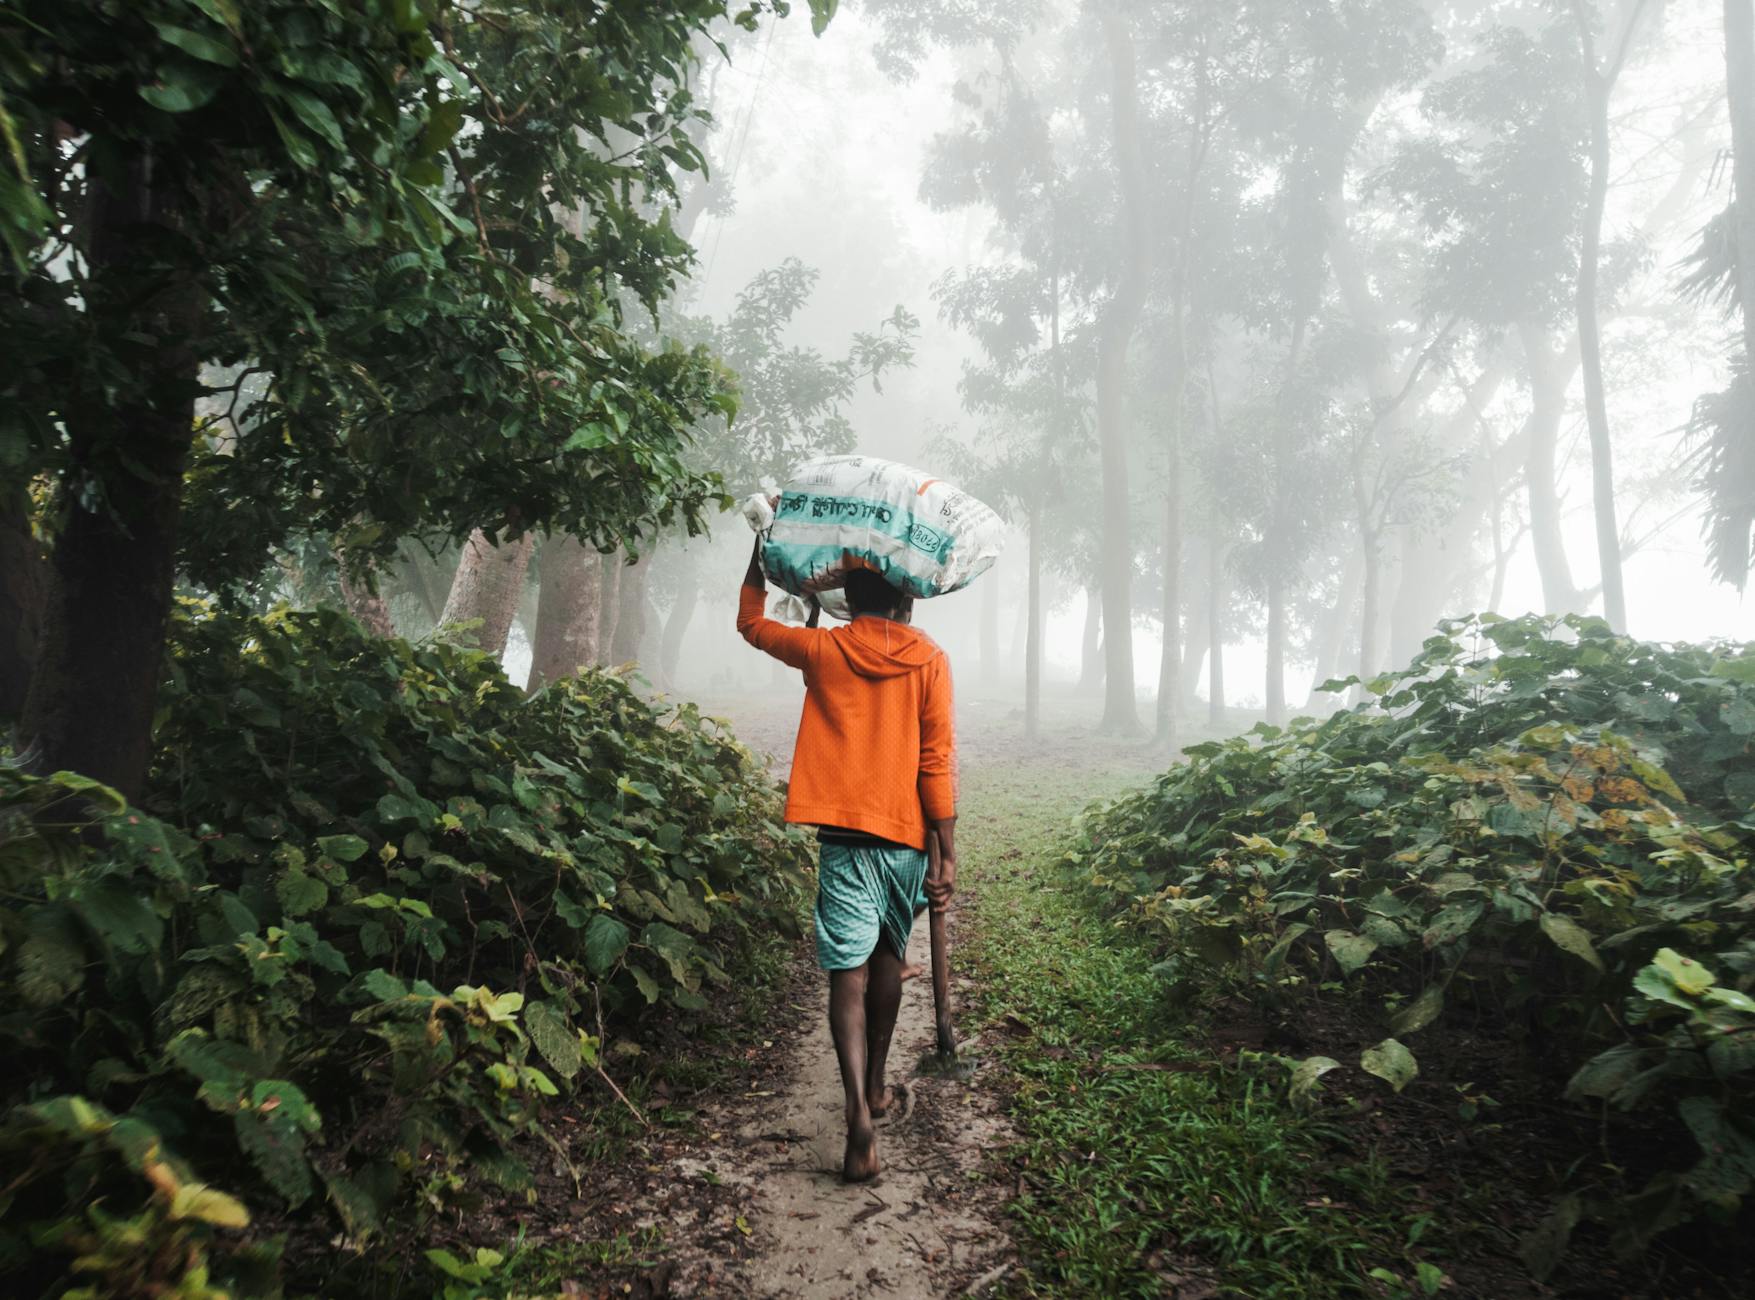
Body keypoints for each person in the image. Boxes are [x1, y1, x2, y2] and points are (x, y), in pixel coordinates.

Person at [737, 542, 957, 1182]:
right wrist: (947, 850)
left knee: (847, 975)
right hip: (906, 838)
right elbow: (936, 760)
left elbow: (752, 625)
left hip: (844, 839)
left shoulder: (826, 651)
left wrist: (759, 557)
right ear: (905, 598)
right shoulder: (931, 660)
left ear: (846, 601)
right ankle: (881, 1086)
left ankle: (857, 1109)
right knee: (890, 958)